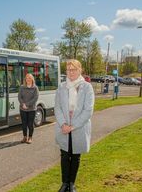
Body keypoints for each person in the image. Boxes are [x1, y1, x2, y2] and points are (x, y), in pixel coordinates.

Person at [54, 59, 95, 192]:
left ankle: (72, 183)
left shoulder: (87, 87)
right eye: (68, 70)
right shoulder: (61, 87)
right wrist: (63, 124)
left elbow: (88, 110)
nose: (71, 72)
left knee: (76, 156)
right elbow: (58, 107)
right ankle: (64, 183)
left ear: (80, 70)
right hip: (63, 127)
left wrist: (72, 126)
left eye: (74, 69)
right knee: (65, 155)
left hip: (79, 127)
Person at [18, 73, 39, 144]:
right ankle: (24, 137)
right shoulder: (21, 87)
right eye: (27, 78)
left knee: (30, 124)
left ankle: (30, 137)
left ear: (32, 79)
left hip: (32, 109)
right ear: (25, 79)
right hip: (22, 109)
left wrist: (27, 104)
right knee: (24, 124)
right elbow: (19, 97)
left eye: (29, 78)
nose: (28, 79)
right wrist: (22, 104)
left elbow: (35, 98)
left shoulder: (35, 88)